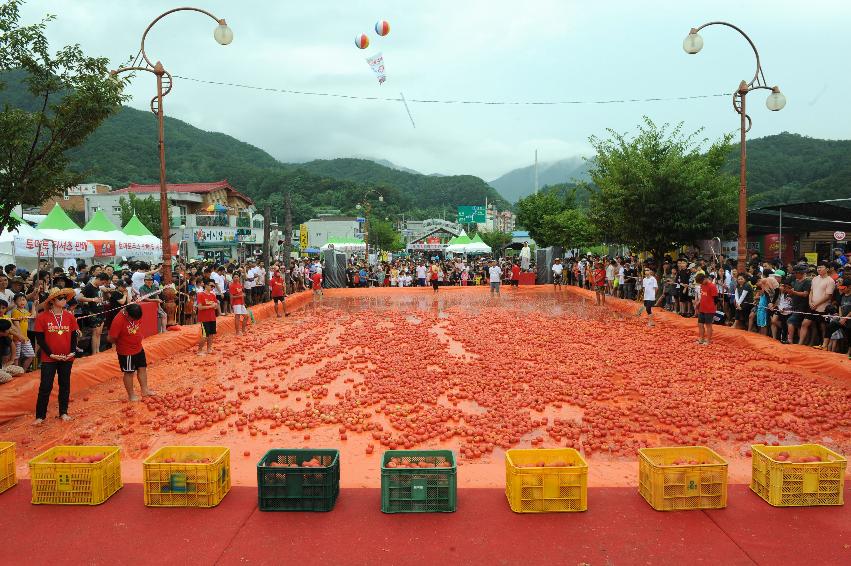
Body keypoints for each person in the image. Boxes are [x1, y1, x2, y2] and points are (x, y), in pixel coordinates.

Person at [33, 287, 79, 424]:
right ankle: (40, 416)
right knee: (45, 386)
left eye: (65, 298)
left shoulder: (70, 316)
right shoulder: (42, 317)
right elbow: (40, 339)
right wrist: (51, 354)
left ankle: (63, 412)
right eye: (61, 298)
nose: (64, 300)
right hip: (49, 358)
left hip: (67, 357)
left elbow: (73, 335)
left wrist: (72, 351)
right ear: (52, 300)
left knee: (65, 385)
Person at [107, 303, 155, 401]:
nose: (135, 321)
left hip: (138, 347)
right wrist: (122, 342)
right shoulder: (118, 320)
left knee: (142, 368)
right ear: (127, 314)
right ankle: (131, 395)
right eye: (133, 319)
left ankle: (145, 390)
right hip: (126, 351)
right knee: (129, 372)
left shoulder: (136, 314)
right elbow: (111, 338)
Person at [811, 261, 837, 350]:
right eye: (818, 267)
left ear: (827, 269)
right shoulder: (815, 279)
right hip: (813, 306)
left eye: (821, 267)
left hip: (823, 307)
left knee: (823, 327)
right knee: (817, 325)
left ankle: (824, 345)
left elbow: (828, 296)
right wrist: (810, 302)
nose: (818, 269)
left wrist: (816, 304)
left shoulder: (830, 281)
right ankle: (820, 343)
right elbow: (811, 291)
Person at [10, 293, 34, 371]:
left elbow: (33, 316)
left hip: (24, 337)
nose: (22, 302)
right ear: (15, 302)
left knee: (31, 355)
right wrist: (21, 336)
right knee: (16, 357)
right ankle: (16, 372)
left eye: (23, 299)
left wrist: (34, 305)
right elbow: (17, 326)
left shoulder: (25, 311)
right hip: (17, 338)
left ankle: (23, 371)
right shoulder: (15, 311)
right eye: (19, 300)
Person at [196, 279, 220, 356]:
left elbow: (216, 306)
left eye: (213, 286)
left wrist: (215, 306)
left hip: (212, 317)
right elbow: (199, 307)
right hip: (204, 318)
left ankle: (209, 348)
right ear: (206, 286)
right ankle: (199, 350)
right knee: (205, 335)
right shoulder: (200, 295)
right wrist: (211, 306)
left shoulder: (213, 295)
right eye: (211, 285)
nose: (213, 287)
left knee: (211, 334)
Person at [695, 273, 718, 345]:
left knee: (708, 325)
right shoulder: (702, 285)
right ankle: (701, 338)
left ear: (705, 279)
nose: (701, 283)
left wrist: (713, 308)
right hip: (702, 307)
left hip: (709, 308)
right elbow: (702, 296)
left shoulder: (712, 286)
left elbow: (716, 299)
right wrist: (698, 303)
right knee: (700, 324)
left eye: (701, 282)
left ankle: (708, 340)